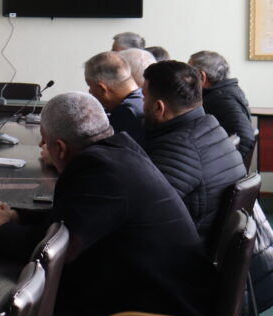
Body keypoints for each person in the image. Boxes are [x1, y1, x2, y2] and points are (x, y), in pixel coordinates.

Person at [0, 92, 216, 316]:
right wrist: (15, 217)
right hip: (160, 304)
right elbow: (73, 220)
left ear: (60, 148)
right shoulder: (118, 152)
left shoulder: (99, 169)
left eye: (44, 140)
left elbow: (57, 252)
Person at [140, 60, 244, 244]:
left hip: (186, 252)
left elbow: (143, 211)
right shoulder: (211, 126)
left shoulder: (177, 147)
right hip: (204, 239)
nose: (142, 104)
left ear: (159, 107)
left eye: (144, 97)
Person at [189, 50, 256, 167]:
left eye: (189, 75)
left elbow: (246, 136)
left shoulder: (222, 97)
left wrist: (228, 168)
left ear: (203, 77)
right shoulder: (228, 91)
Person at [83, 51, 145, 144]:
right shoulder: (143, 99)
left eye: (90, 86)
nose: (90, 92)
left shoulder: (124, 114)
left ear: (102, 89)